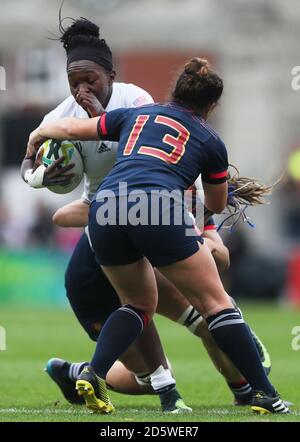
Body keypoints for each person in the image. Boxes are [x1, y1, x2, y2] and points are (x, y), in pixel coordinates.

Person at [22, 17, 272, 410]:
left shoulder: (135, 101)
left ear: (111, 75)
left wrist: (205, 230)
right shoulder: (58, 120)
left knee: (199, 312)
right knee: (153, 357)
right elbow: (35, 172)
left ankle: (240, 389)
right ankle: (160, 388)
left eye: (91, 80)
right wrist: (38, 176)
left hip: (135, 219)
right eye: (75, 83)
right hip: (106, 237)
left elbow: (161, 166)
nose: (82, 90)